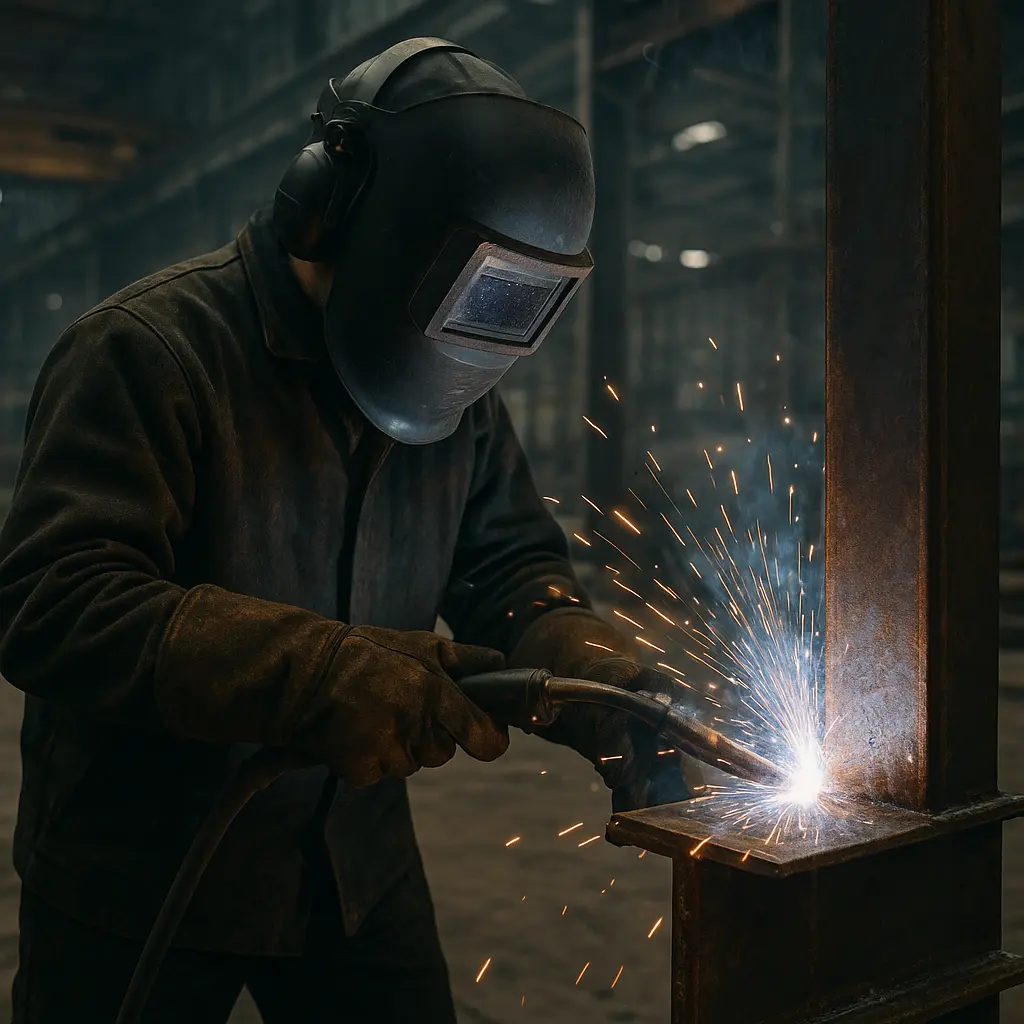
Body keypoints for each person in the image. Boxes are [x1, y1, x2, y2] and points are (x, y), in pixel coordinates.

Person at [0, 38, 689, 1023]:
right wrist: (318, 674)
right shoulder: (148, 353)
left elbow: (509, 568)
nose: (466, 339)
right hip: (140, 872)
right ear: (329, 204)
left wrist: (591, 676)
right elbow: (53, 600)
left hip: (349, 868)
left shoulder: (458, 405)